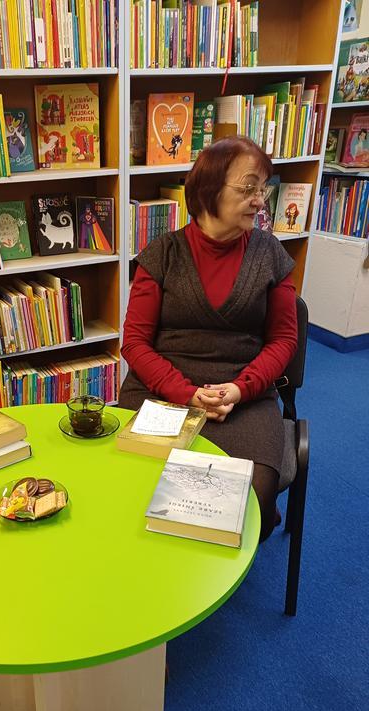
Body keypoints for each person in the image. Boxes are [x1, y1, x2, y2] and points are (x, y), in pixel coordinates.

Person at [119, 136, 298, 543]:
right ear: (208, 189)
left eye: (263, 189)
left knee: (251, 501)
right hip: (161, 391)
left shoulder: (269, 254)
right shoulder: (163, 253)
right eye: (248, 188)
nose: (259, 200)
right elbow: (135, 343)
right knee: (130, 488)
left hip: (244, 396)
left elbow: (284, 340)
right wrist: (186, 393)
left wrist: (240, 388)